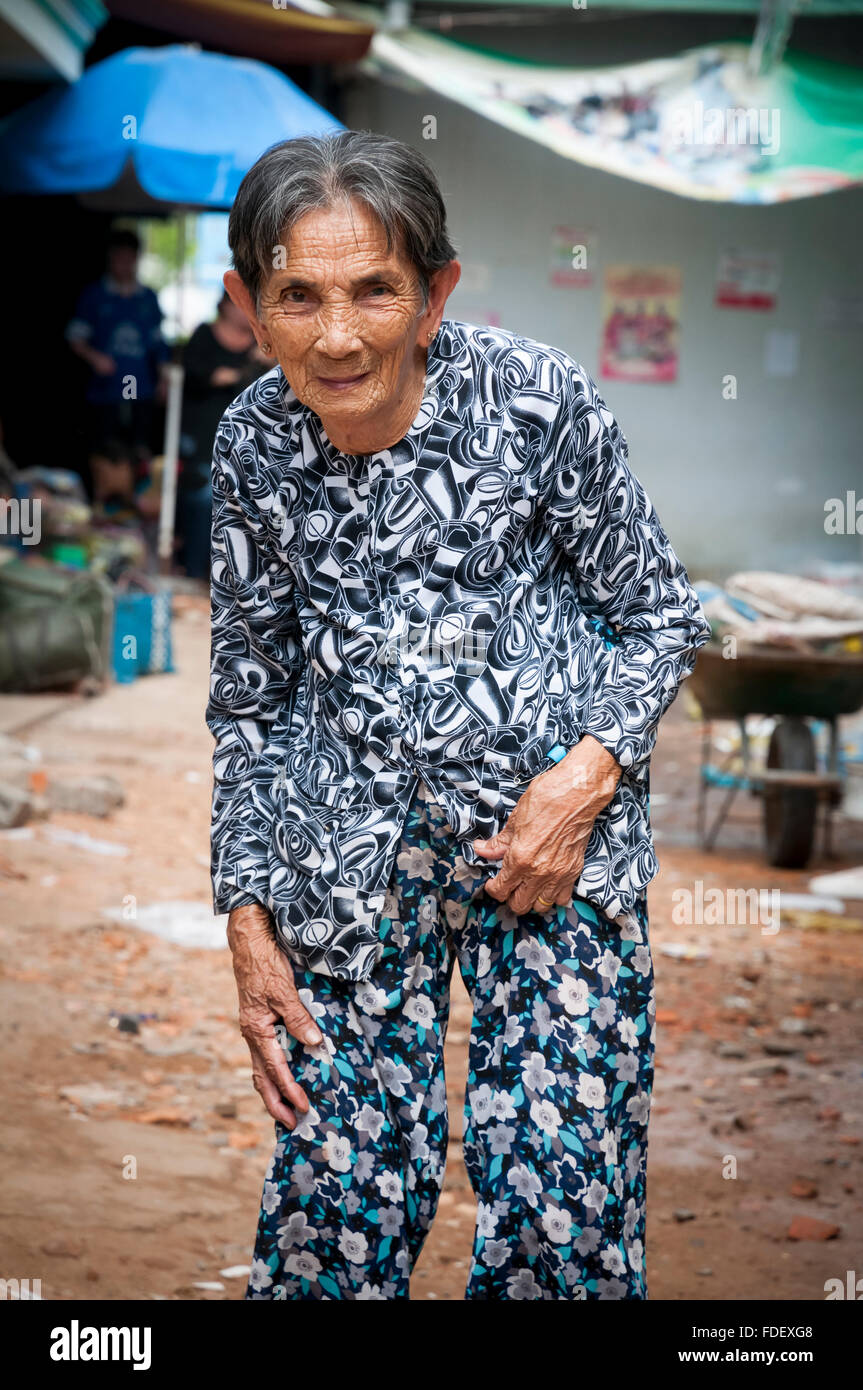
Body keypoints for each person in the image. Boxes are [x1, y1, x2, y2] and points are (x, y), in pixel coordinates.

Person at [206, 131, 711, 1302]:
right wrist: (244, 913)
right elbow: (250, 692)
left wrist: (582, 778)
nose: (338, 336)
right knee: (334, 1208)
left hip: (552, 864)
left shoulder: (533, 400)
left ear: (434, 292)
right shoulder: (251, 445)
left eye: (375, 288)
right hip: (344, 873)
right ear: (248, 306)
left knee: (559, 1207)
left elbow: (657, 615)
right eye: (298, 297)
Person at [177, 294, 270, 579]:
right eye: (241, 305)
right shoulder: (205, 335)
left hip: (250, 442)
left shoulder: (262, 343)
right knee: (206, 498)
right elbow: (194, 375)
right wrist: (230, 374)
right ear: (225, 306)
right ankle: (194, 569)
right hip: (204, 435)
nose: (247, 312)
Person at [66, 227, 169, 460]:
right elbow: (75, 338)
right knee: (106, 449)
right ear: (110, 258)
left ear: (136, 259)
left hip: (138, 387)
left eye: (128, 259)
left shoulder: (147, 298)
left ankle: (135, 494)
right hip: (106, 389)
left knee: (138, 447)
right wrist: (95, 357)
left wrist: (163, 379)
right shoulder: (95, 296)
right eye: (118, 259)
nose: (123, 265)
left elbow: (159, 345)